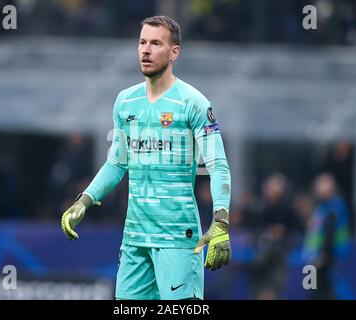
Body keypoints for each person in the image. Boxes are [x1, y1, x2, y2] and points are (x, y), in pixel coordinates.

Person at [60, 15, 232, 300]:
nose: (146, 50)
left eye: (155, 43)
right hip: (135, 239)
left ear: (174, 52)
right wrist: (84, 201)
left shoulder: (194, 103)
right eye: (142, 42)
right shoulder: (126, 101)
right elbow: (116, 163)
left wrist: (221, 220)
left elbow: (218, 165)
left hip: (178, 239)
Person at [302, 173, 351, 299]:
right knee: (312, 289)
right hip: (313, 259)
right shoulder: (319, 208)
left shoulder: (335, 207)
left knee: (327, 291)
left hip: (327, 258)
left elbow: (331, 232)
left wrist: (324, 255)